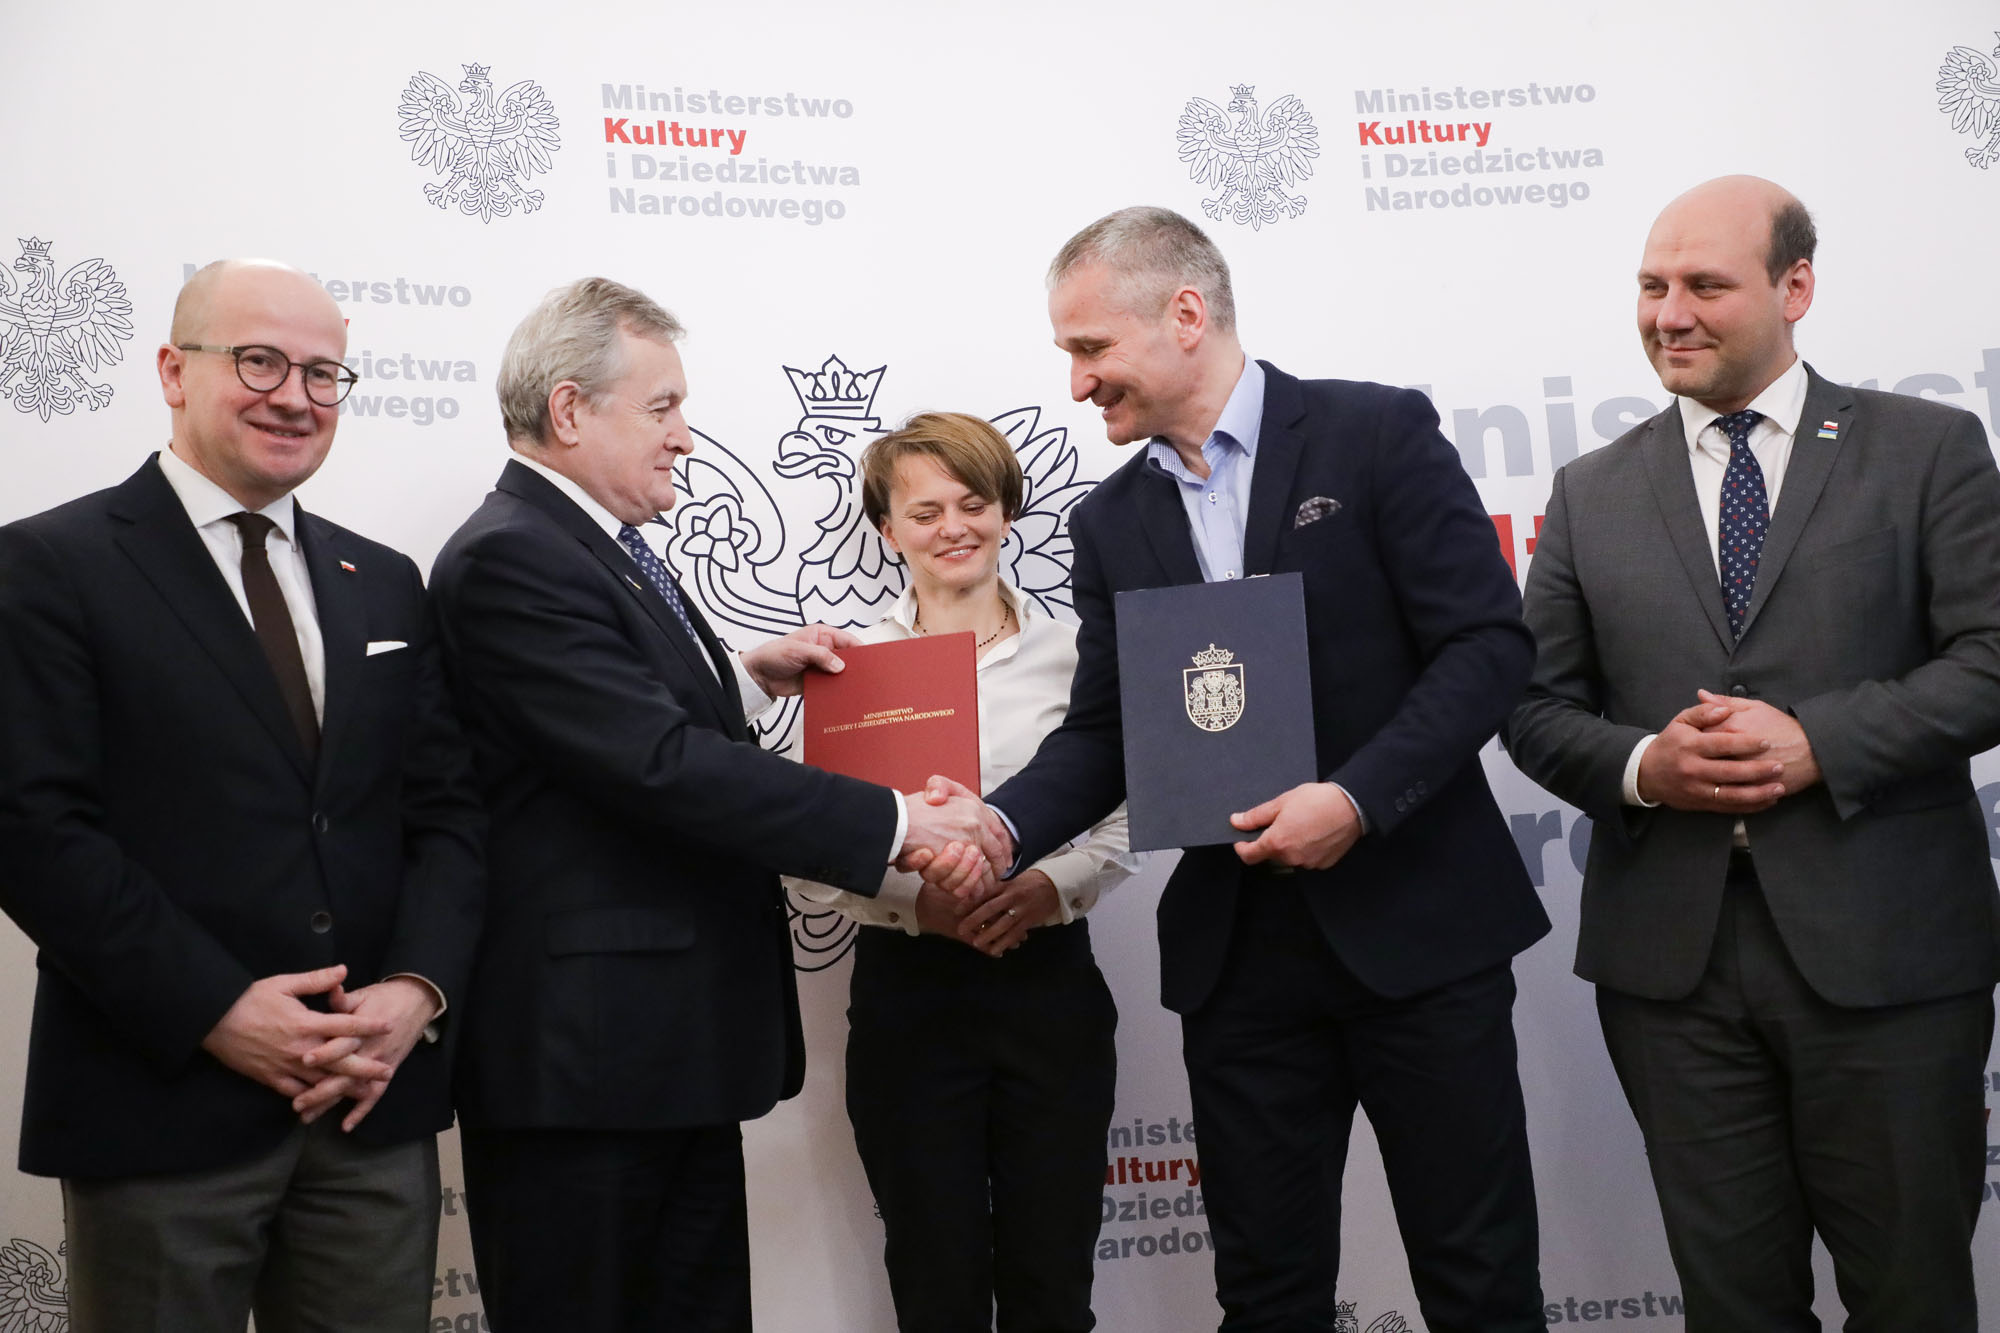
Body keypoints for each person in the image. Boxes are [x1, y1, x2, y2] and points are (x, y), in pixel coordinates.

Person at [949, 207, 1552, 1331]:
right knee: (1266, 1296)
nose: (1077, 384)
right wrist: (998, 825)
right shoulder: (1110, 521)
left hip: (1419, 933)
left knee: (1479, 1282)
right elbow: (1106, 733)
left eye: (1090, 348)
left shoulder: (1373, 433)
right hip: (1242, 965)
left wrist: (1356, 800)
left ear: (1186, 314)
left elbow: (1485, 648)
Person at [428, 278, 1008, 1331]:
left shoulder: (586, 545)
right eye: (662, 408)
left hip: (655, 1056)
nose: (684, 438)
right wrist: (896, 822)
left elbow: (612, 731)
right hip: (586, 1068)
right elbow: (655, 762)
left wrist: (741, 678)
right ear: (569, 410)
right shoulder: (514, 554)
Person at [1505, 175, 2000, 1332]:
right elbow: (1531, 707)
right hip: (1671, 974)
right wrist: (1644, 767)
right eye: (1649, 286)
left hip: (1888, 958)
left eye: (1702, 285)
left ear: (1794, 287)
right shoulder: (1588, 492)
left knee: (1910, 1295)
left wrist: (1818, 741)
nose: (1667, 314)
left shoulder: (1925, 448)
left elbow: (1987, 658)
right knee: (1731, 1307)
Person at [0, 259, 486, 1331]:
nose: (295, 396)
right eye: (259, 361)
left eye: (323, 372)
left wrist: (417, 988)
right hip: (161, 1102)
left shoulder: (385, 579)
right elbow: (32, 828)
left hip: (368, 1104)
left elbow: (446, 813)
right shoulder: (47, 563)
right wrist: (216, 1009)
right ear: (174, 371)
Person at [790, 412, 1138, 1332]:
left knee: (1053, 1284)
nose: (954, 527)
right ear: (887, 530)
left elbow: (1133, 808)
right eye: (925, 511)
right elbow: (806, 855)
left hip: (1050, 987)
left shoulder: (1081, 653)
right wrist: (917, 905)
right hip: (910, 1000)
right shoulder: (847, 666)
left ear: (1006, 511)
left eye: (974, 503)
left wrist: (1049, 888)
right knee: (934, 1284)